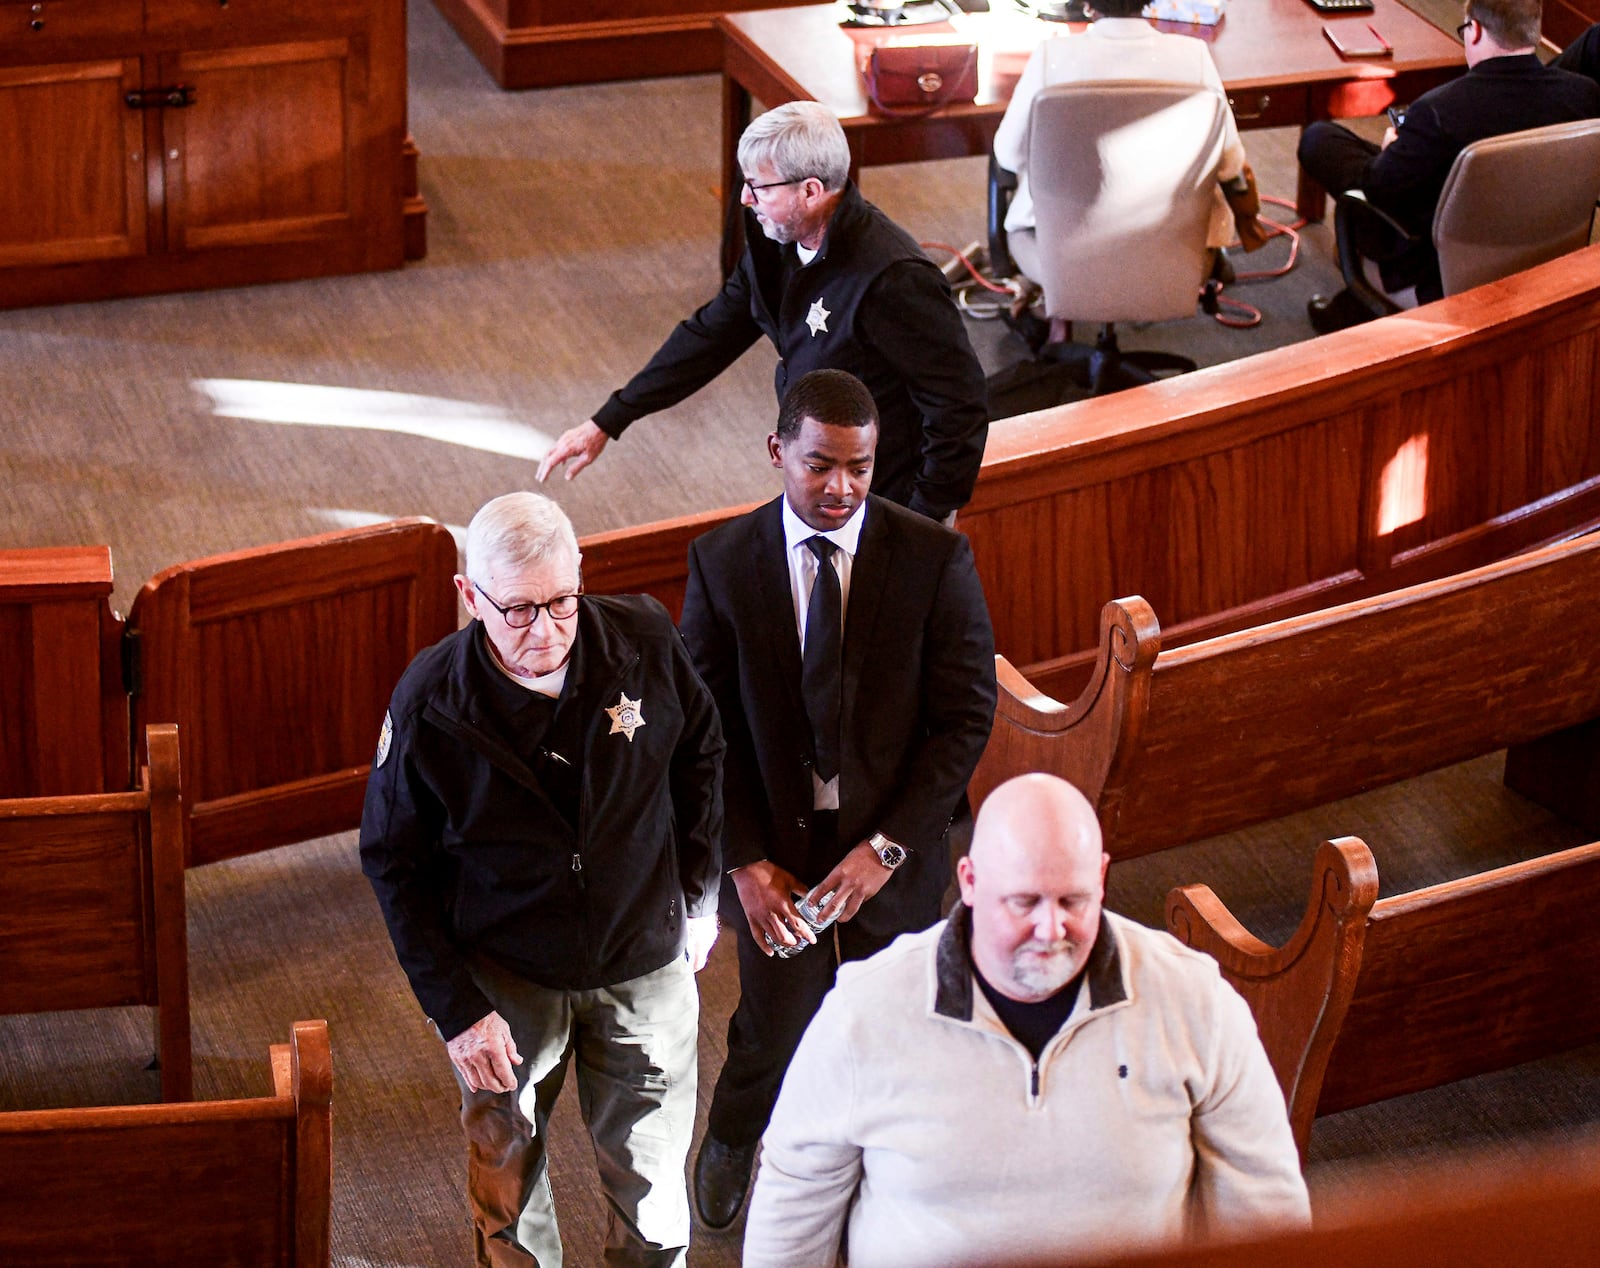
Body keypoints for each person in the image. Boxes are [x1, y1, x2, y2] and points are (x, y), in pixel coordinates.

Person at [358, 491, 724, 1268]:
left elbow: (701, 755)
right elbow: (393, 863)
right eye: (518, 610)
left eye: (561, 601)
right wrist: (457, 1012)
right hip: (506, 980)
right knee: (509, 1198)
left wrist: (697, 899)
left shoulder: (644, 639)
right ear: (470, 597)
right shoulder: (430, 701)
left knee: (654, 1197)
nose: (546, 631)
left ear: (581, 574)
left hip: (642, 961)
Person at [743, 772, 1311, 1268]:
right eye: (1023, 902)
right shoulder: (864, 1012)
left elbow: (1267, 1210)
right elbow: (796, 1196)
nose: (1050, 930)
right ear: (969, 881)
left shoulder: (1194, 1001)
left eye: (1073, 901)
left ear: (1103, 877)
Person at [677, 368, 997, 1230]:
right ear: (778, 451)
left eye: (859, 468)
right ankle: (736, 1136)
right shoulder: (722, 564)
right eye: (820, 466)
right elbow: (703, 735)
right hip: (775, 851)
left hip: (889, 849)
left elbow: (965, 718)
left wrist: (885, 850)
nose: (841, 490)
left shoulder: (933, 559)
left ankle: (884, 1168)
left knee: (893, 1020)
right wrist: (743, 863)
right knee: (776, 1026)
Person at [536, 102, 988, 524]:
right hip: (818, 479)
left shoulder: (894, 279)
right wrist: (609, 420)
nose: (745, 200)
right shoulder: (776, 247)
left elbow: (959, 408)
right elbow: (711, 334)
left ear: (811, 191)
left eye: (759, 187)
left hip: (885, 497)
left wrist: (921, 521)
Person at [1298, 0, 1600, 326]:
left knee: (1320, 139)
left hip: (1444, 275)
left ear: (1476, 30)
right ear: (1536, 31)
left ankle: (1361, 304)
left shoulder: (1438, 111)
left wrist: (1390, 152)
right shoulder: (1585, 96)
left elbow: (1380, 190)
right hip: (1545, 258)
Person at [991, 0, 1267, 268]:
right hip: (1178, 250)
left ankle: (1045, 300)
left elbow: (1009, 155)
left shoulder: (1050, 58)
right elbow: (1231, 162)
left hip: (1063, 253)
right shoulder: (1193, 56)